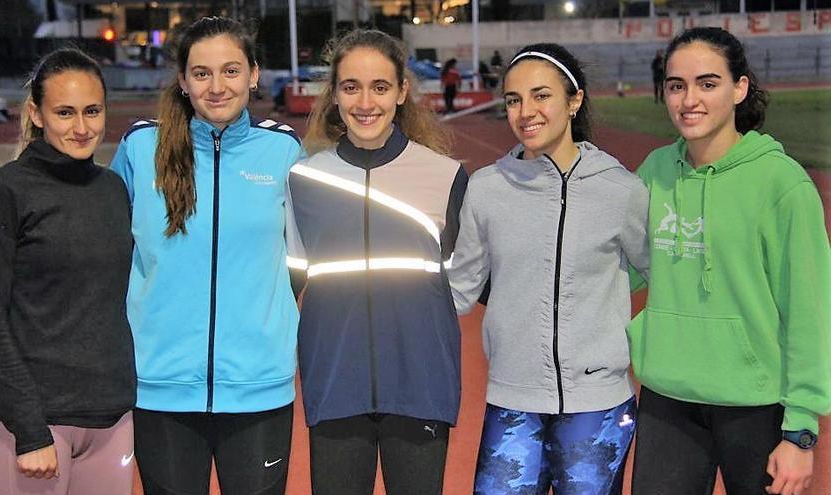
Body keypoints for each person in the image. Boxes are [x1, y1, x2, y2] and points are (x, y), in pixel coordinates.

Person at [629, 27, 831, 495]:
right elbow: (619, 267)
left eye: (708, 83)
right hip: (667, 400)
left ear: (739, 88)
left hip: (755, 405)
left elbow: (809, 309)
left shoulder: (783, 184)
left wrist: (800, 429)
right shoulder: (655, 172)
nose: (688, 100)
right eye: (676, 86)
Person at [109, 16, 302, 495]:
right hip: (162, 386)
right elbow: (111, 253)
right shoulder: (140, 148)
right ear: (183, 80)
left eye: (231, 71)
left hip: (258, 385)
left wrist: (267, 325)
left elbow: (301, 261)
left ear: (254, 75)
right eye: (202, 73)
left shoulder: (282, 151)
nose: (217, 87)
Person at [447, 43, 650, 494]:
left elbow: (664, 277)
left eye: (541, 96)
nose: (525, 112)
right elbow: (458, 290)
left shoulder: (620, 190)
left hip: (597, 405)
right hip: (512, 399)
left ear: (573, 100)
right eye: (514, 100)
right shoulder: (486, 189)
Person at [286, 29, 466, 495]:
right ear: (335, 95)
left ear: (402, 92)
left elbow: (472, 283)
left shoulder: (445, 177)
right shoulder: (305, 179)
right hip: (335, 389)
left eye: (380, 87)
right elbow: (286, 285)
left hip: (421, 390)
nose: (365, 102)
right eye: (351, 87)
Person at [0, 48, 136, 495]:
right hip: (34, 427)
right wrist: (29, 429)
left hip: (111, 421)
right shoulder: (3, 192)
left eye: (92, 111)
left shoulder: (113, 189)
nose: (81, 128)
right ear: (36, 114)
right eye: (64, 112)